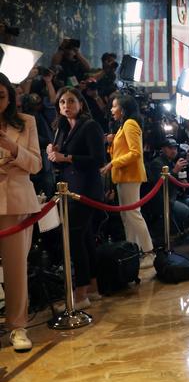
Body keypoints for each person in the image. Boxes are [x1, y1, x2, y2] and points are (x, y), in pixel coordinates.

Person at [47, 87, 105, 310]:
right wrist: (53, 154)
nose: (66, 106)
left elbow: (98, 159)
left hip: (86, 190)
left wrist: (68, 157)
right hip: (70, 189)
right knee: (86, 237)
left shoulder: (89, 126)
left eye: (71, 101)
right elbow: (58, 162)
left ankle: (80, 294)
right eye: (62, 102)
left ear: (80, 104)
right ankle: (92, 287)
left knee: (74, 238)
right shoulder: (61, 129)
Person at [0, 73, 42, 352]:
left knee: (16, 269)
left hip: (16, 201)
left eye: (1, 96)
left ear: (10, 96)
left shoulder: (26, 122)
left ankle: (18, 327)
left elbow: (36, 164)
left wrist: (13, 148)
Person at [100, 94, 155, 268]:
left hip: (130, 175)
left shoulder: (130, 124)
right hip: (125, 176)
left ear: (123, 109)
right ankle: (134, 251)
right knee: (127, 215)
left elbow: (135, 152)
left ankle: (148, 251)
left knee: (132, 214)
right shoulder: (124, 125)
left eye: (114, 106)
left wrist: (112, 163)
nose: (111, 109)